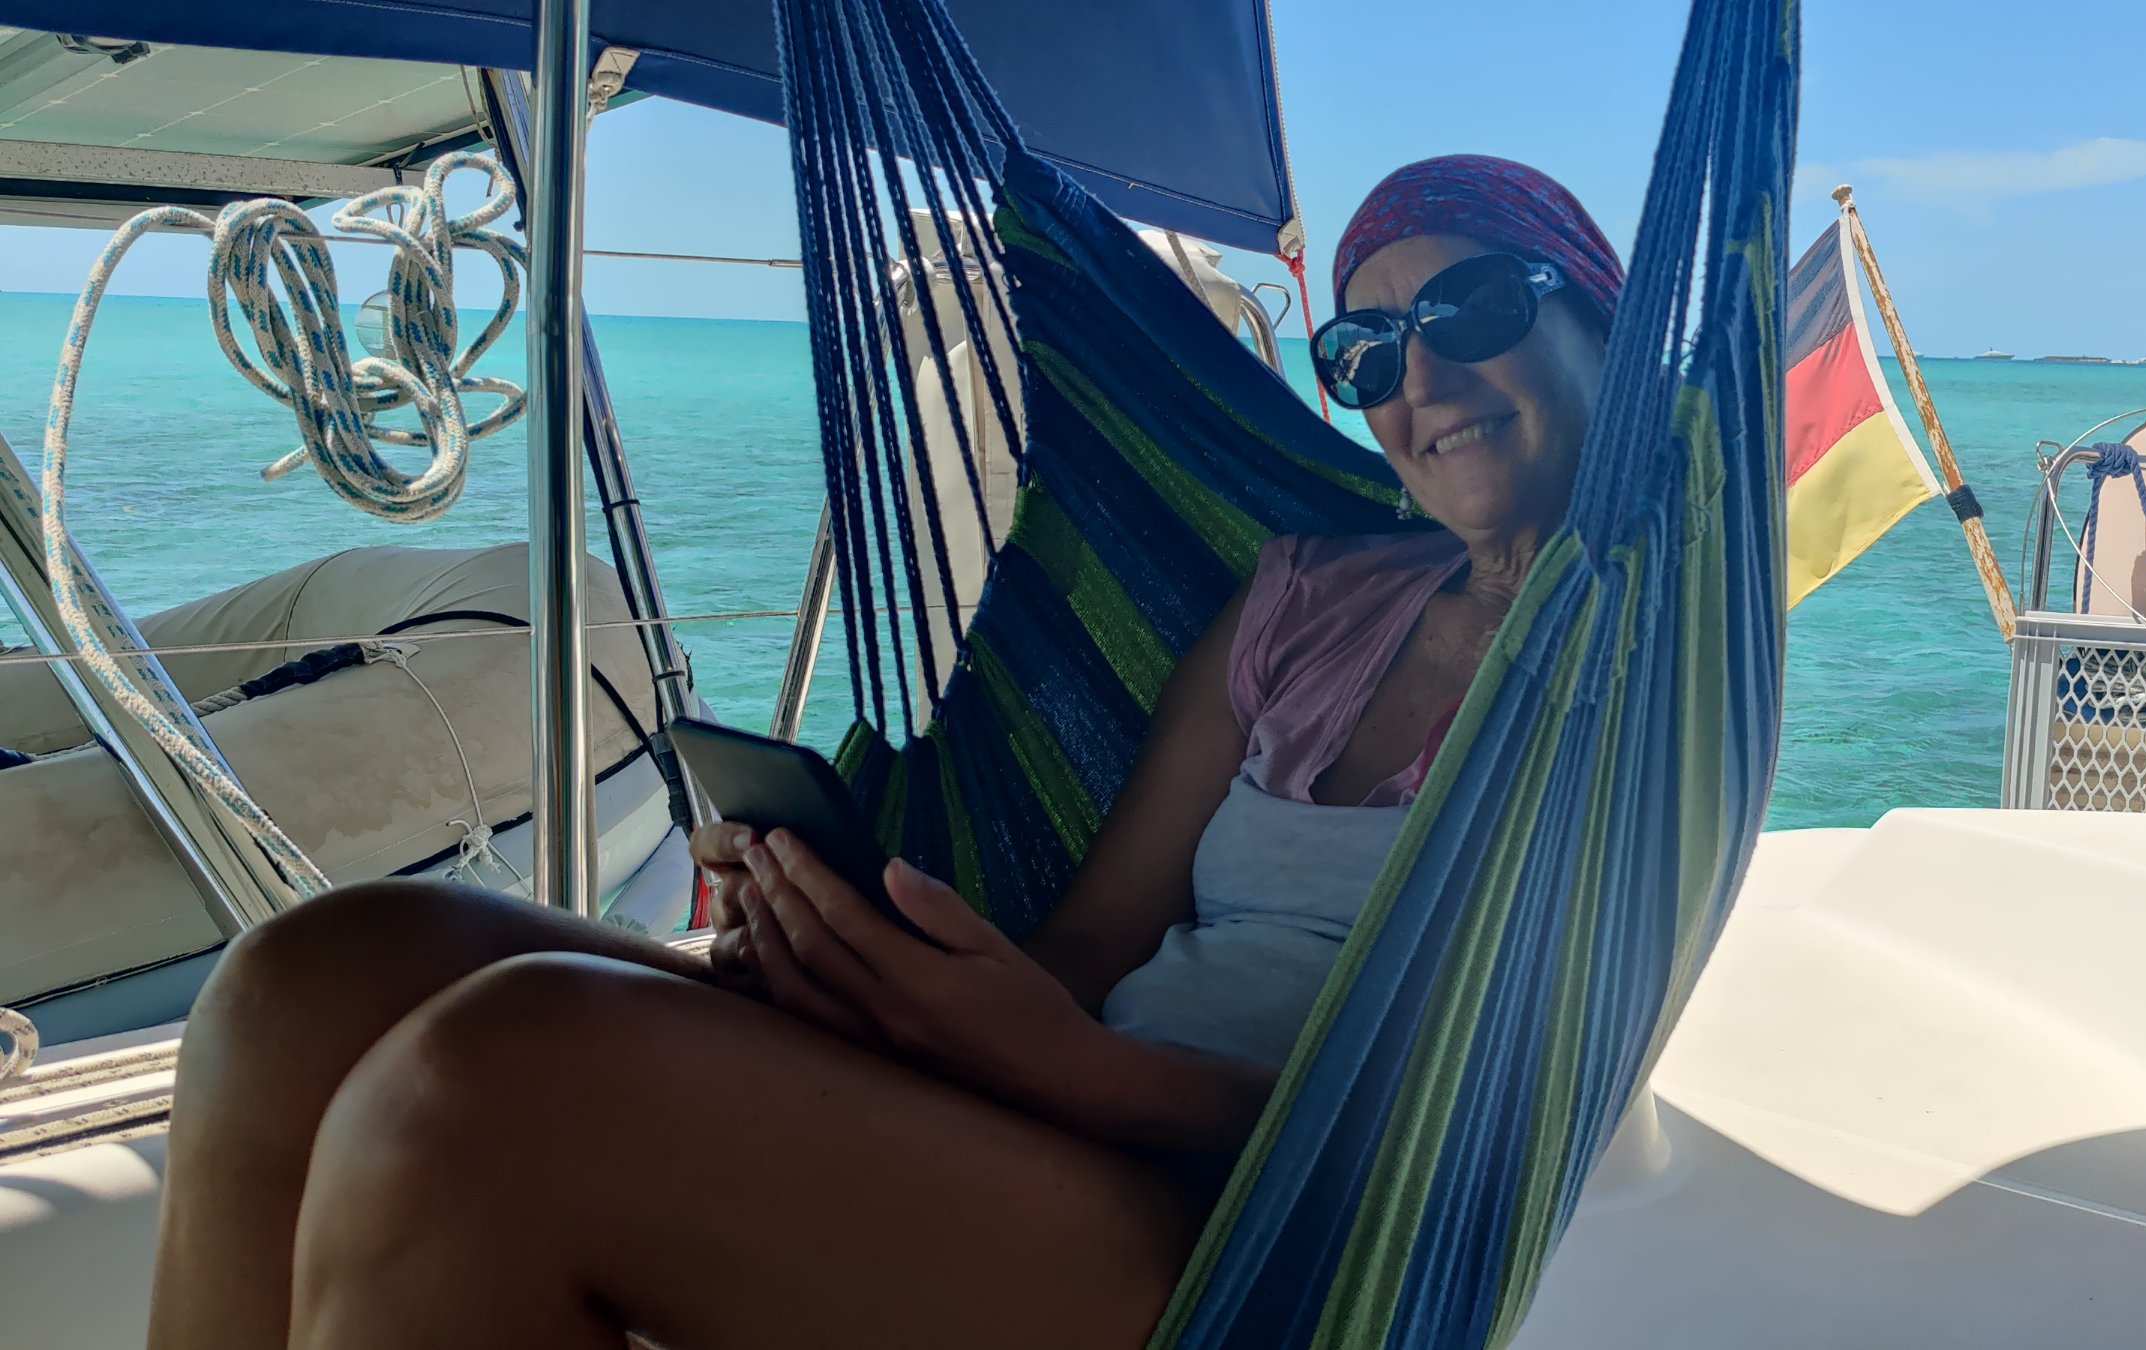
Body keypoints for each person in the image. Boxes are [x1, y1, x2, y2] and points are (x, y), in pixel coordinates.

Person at [144, 153, 1620, 1350]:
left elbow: (1473, 1123)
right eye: (1367, 348)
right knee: (310, 980)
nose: (1420, 379)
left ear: (1606, 313)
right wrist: (860, 961)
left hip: (1266, 1230)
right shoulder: (1304, 599)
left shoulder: (1647, 666)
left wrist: (1082, 1073)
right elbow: (1087, 947)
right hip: (1053, 1100)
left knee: (483, 1089)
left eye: (1472, 306)